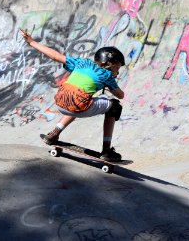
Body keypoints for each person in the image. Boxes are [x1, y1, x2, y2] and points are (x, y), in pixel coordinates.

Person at [20, 29, 125, 162]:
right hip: (78, 106)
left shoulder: (81, 62)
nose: (118, 72)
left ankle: (53, 134)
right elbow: (120, 95)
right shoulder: (107, 75)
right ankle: (106, 150)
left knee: (79, 99)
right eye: (118, 68)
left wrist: (31, 42)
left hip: (60, 102)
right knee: (115, 106)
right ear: (109, 65)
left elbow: (55, 56)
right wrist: (110, 86)